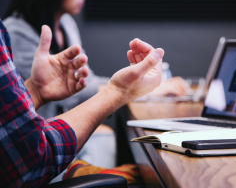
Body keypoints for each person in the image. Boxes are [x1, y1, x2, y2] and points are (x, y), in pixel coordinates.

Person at [0, 20, 164, 187]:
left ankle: (79, 171)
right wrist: (119, 91)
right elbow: (30, 158)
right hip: (34, 165)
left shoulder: (67, 24)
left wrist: (35, 91)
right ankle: (76, 171)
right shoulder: (16, 30)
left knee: (106, 137)